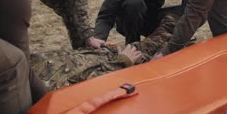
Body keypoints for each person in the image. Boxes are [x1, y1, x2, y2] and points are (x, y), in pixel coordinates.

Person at [32, 13, 178, 91]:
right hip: (111, 69)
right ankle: (175, 30)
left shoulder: (26, 64)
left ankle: (173, 26)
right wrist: (122, 61)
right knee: (147, 55)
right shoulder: (44, 90)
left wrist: (94, 47)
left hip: (100, 56)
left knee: (146, 45)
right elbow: (83, 90)